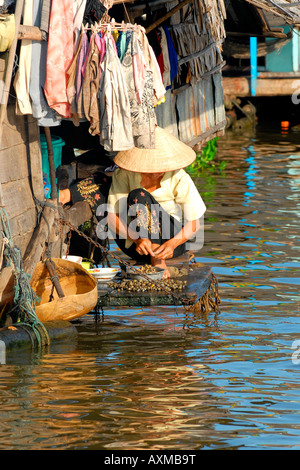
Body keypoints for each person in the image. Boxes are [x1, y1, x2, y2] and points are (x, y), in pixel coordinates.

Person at [59, 126, 206, 278]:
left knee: (139, 195)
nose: (154, 172)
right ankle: (62, 196)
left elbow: (194, 222)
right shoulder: (125, 174)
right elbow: (111, 215)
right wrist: (137, 239)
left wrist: (173, 244)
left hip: (170, 243)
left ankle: (157, 259)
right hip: (135, 244)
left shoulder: (179, 177)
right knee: (101, 181)